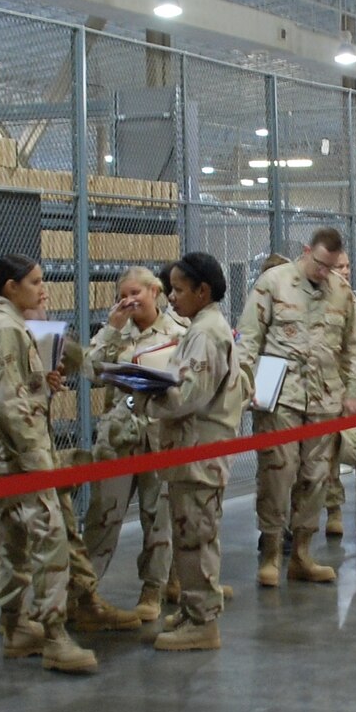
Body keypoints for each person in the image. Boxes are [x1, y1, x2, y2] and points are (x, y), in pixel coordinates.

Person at [0, 255, 99, 674]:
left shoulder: (1, 325)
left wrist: (41, 383)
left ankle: (14, 626)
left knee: (11, 542)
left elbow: (6, 391)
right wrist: (39, 463)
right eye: (35, 282)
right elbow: (10, 406)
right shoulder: (9, 330)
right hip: (21, 457)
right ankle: (55, 635)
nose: (43, 289)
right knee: (50, 540)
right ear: (11, 286)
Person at [236, 229, 356, 587]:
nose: (325, 273)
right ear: (308, 251)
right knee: (277, 475)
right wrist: (244, 387)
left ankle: (303, 555)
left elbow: (353, 349)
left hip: (325, 399)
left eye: (332, 267)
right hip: (281, 399)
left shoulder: (342, 293)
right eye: (321, 264)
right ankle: (272, 553)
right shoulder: (273, 283)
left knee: (316, 478)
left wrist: (353, 391)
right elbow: (249, 338)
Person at [138, 251, 241, 652]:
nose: (171, 299)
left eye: (179, 290)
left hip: (198, 450)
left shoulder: (205, 332)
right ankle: (193, 607)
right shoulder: (203, 328)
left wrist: (144, 397)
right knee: (189, 534)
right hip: (191, 449)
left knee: (196, 536)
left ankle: (202, 621)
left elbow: (186, 396)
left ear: (203, 291)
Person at [81, 266, 185, 621]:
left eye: (135, 293)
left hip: (160, 431)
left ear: (155, 291)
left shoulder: (178, 332)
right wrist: (111, 328)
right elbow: (90, 369)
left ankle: (152, 589)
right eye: (123, 295)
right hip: (119, 434)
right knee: (104, 512)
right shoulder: (115, 332)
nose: (128, 301)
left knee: (158, 516)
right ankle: (83, 590)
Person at [323, 245, 356, 539]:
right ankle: (334, 512)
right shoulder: (320, 302)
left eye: (347, 266)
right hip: (329, 389)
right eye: (338, 267)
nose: (344, 272)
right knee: (332, 450)